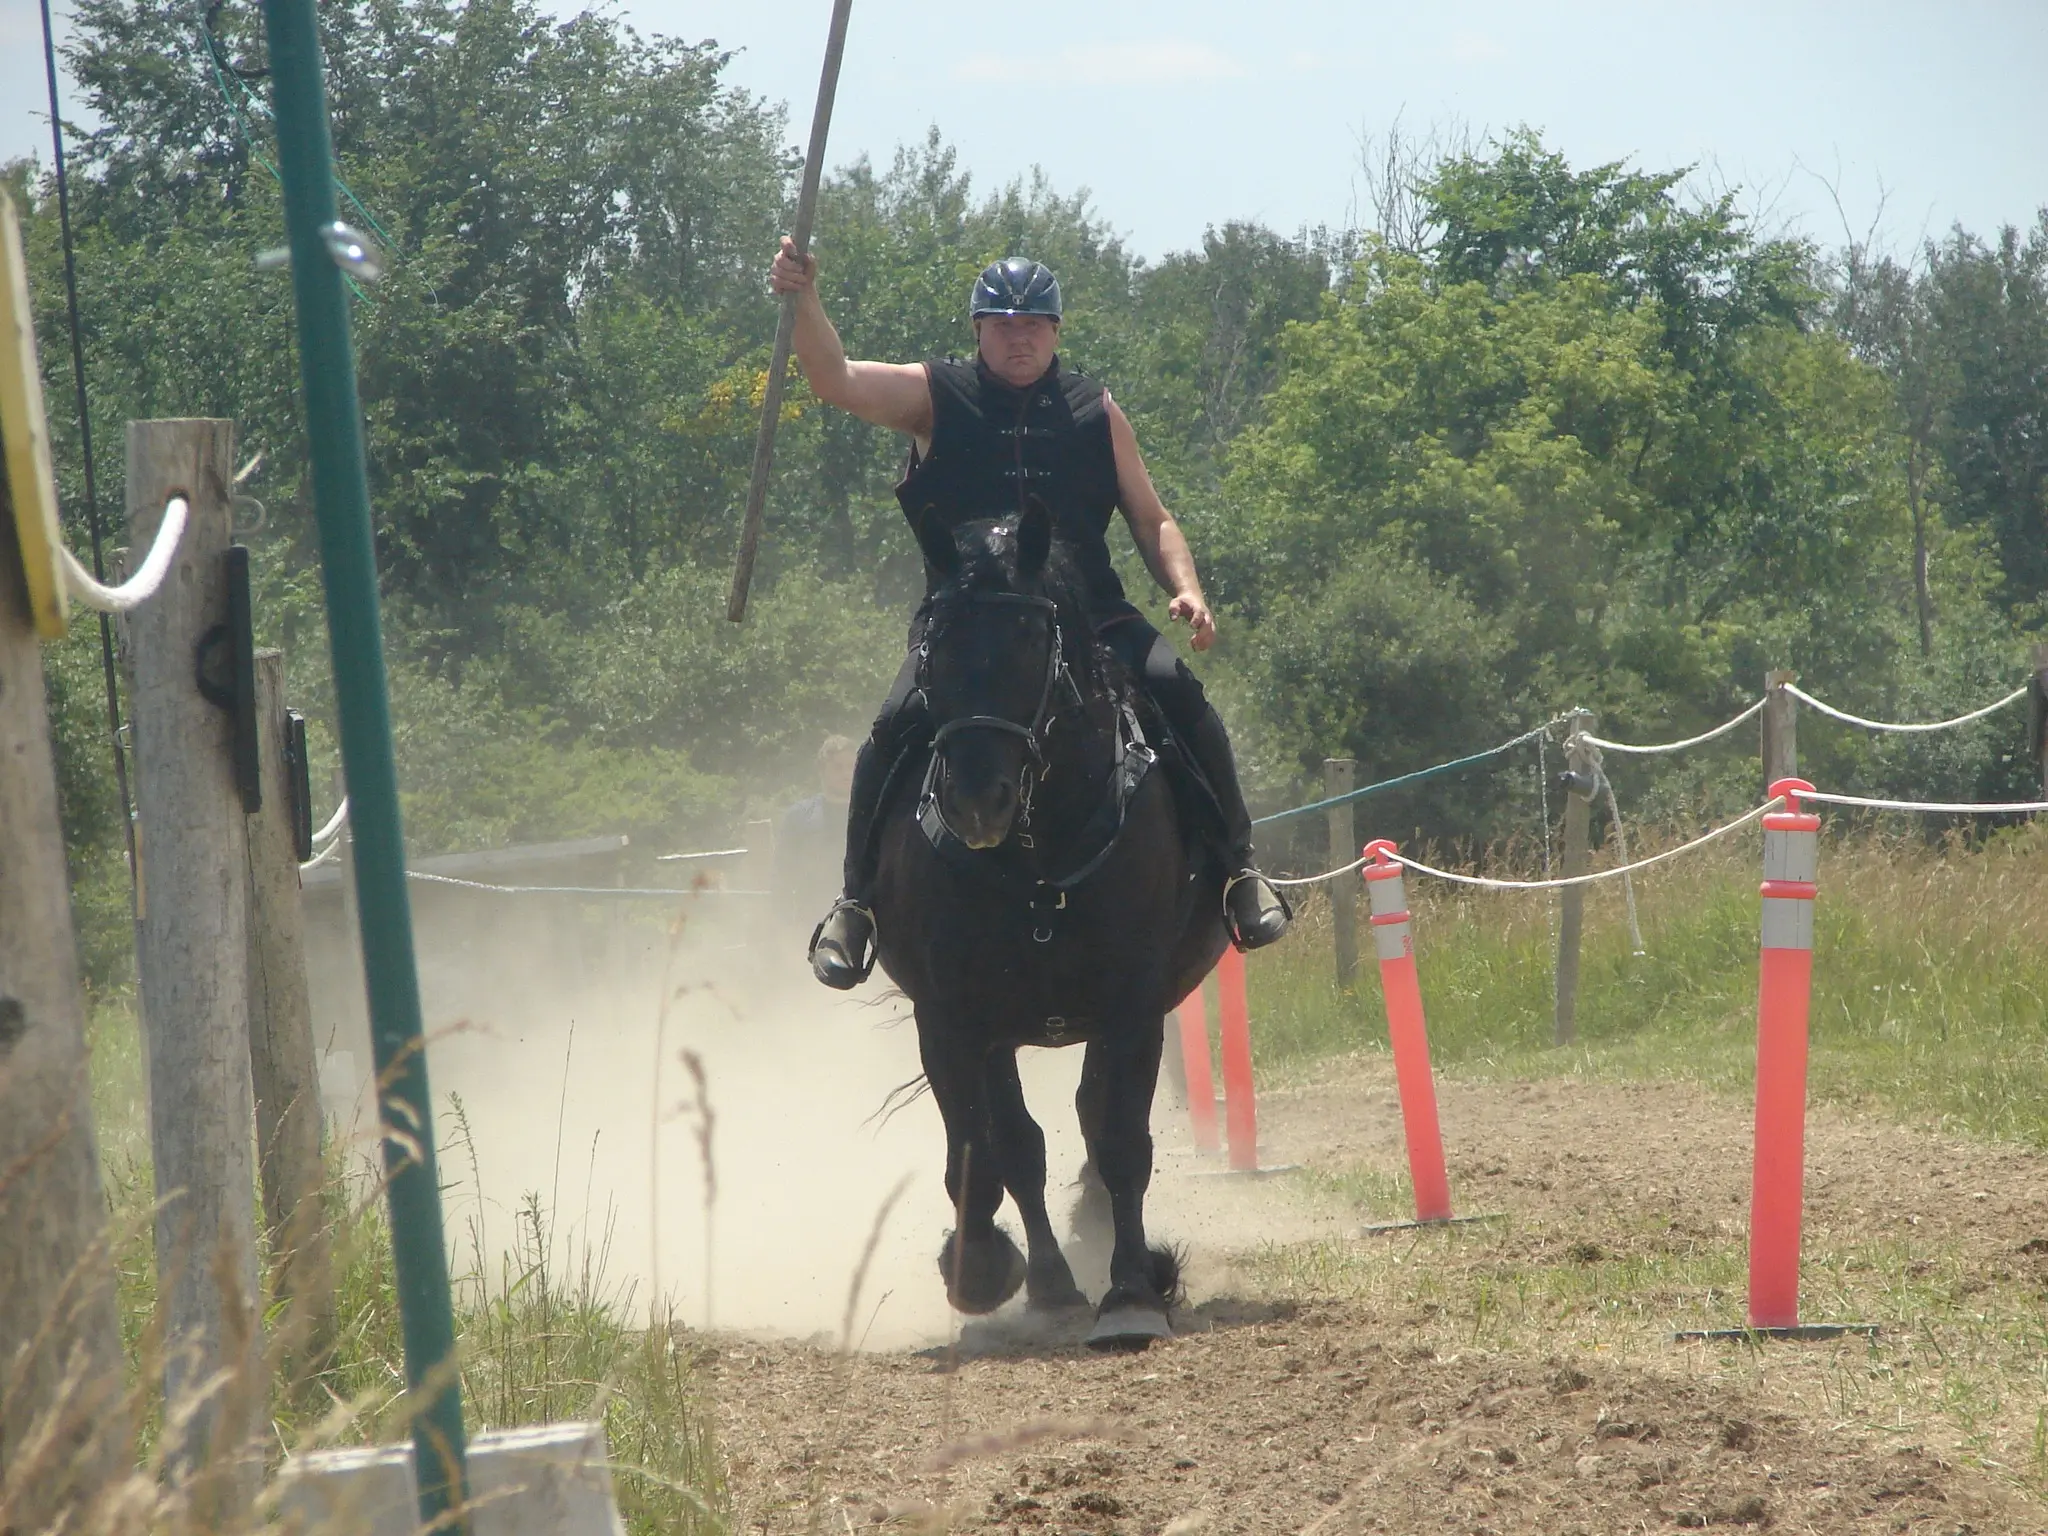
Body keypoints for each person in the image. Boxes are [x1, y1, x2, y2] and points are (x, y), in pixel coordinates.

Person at [770, 242, 1291, 989]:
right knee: (889, 731)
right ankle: (857, 905)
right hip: (967, 626)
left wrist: (1188, 587)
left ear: (1056, 331)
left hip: (1093, 619)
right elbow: (835, 379)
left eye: (1036, 325)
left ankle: (1240, 874)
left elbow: (1152, 517)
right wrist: (806, 297)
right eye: (1005, 323)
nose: (1021, 337)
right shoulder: (934, 396)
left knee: (1182, 696)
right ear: (978, 329)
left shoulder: (1096, 413)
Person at [774, 734, 858, 919]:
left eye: (851, 767)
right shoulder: (799, 817)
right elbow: (782, 875)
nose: (846, 774)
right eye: (838, 767)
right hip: (810, 917)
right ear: (822, 770)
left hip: (859, 916)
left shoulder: (868, 815)